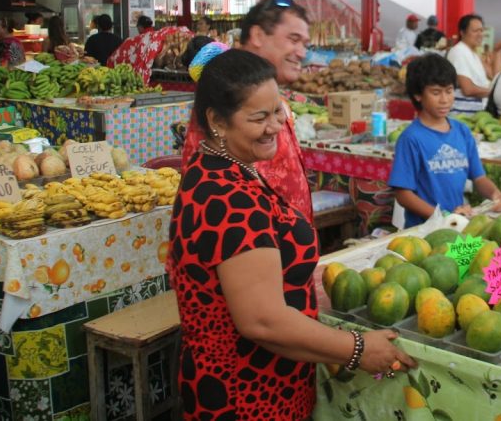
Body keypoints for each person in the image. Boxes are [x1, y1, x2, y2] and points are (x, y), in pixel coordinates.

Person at [169, 49, 415, 419]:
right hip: (245, 394)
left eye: (278, 111)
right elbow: (263, 320)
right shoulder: (226, 197)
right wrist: (357, 347)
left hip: (267, 381)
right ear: (217, 120)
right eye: (259, 117)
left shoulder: (222, 167)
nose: (275, 125)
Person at [180, 0, 314, 222]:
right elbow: (220, 204)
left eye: (304, 43)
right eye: (293, 39)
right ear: (258, 36)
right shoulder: (225, 93)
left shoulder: (269, 93)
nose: (301, 52)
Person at [389, 53, 501, 227]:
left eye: (449, 91)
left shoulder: (462, 132)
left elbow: (479, 178)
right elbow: (403, 195)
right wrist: (442, 216)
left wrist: (495, 194)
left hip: (457, 224)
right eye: (436, 93)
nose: (444, 100)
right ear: (418, 95)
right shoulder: (411, 139)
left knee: (479, 252)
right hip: (424, 232)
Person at [446, 14, 501, 107]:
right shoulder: (459, 52)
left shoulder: (473, 53)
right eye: (475, 31)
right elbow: (468, 89)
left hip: (482, 105)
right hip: (471, 110)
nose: (480, 35)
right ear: (462, 33)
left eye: (481, 31)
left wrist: (496, 52)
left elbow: (494, 77)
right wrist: (496, 92)